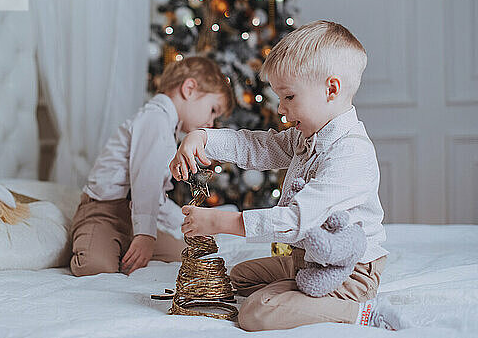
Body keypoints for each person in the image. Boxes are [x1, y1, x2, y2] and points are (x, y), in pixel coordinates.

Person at [170, 21, 408, 330]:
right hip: (308, 259)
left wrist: (219, 222)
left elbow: (297, 219)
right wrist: (203, 138)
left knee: (257, 312)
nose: (281, 108)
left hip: (348, 269)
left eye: (289, 97)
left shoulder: (350, 154)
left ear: (331, 89)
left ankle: (362, 313)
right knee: (238, 277)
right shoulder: (307, 136)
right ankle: (296, 296)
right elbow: (259, 146)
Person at [70, 56, 234, 276]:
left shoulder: (167, 127)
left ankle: (126, 243)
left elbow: (155, 195)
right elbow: (145, 184)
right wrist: (145, 235)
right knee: (95, 266)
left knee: (182, 253)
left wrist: (186, 222)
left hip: (132, 217)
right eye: (213, 110)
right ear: (189, 89)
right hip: (103, 212)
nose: (211, 123)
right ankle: (97, 241)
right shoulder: (155, 119)